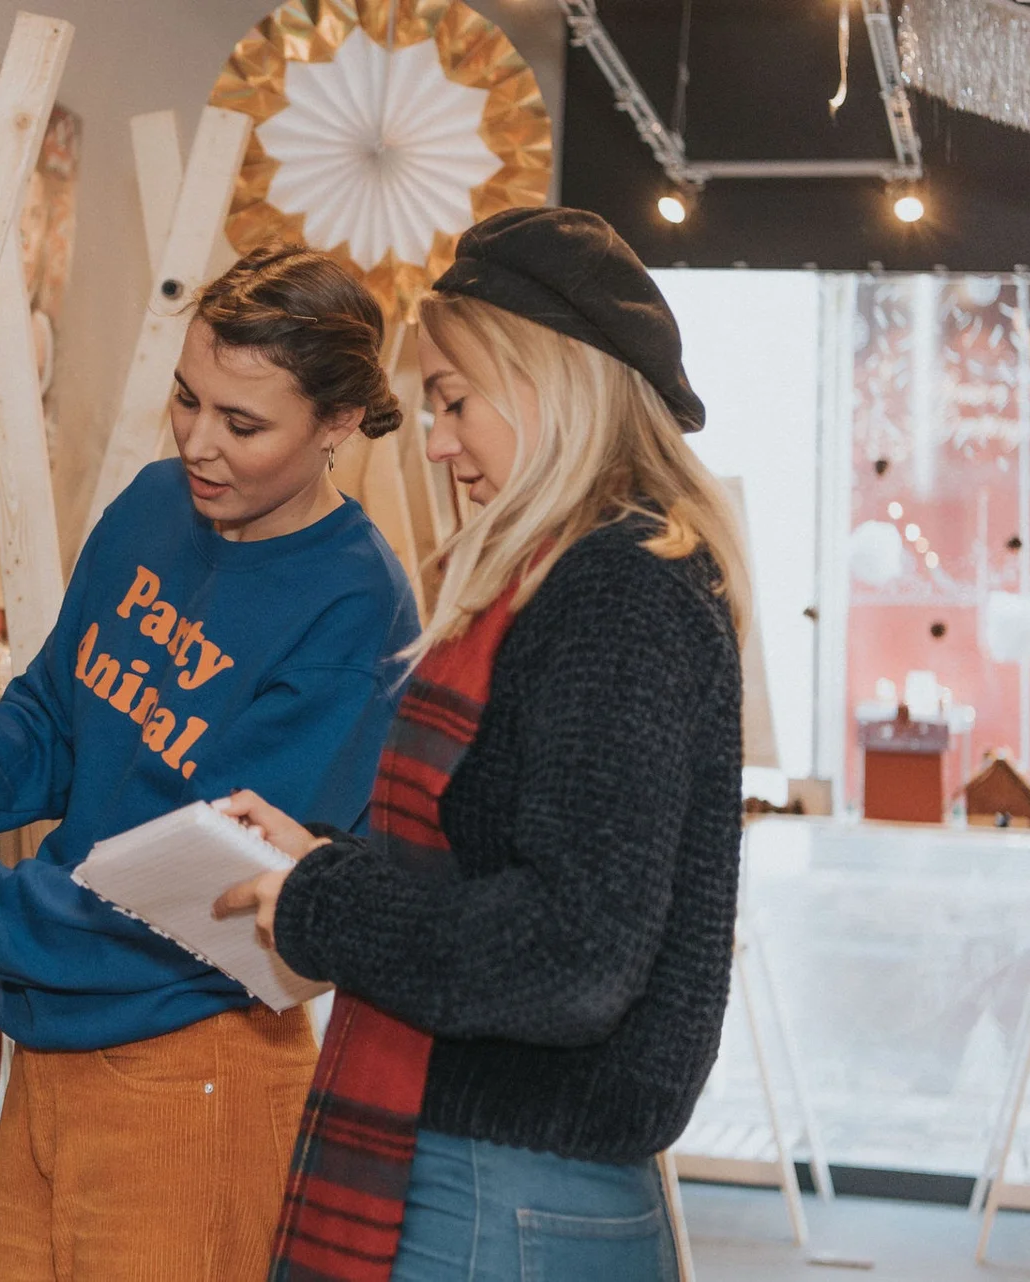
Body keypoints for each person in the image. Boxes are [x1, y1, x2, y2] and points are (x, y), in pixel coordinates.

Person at [0, 245, 420, 1280]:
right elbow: (43, 731)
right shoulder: (156, 507)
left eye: (244, 425)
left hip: (192, 1071)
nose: (201, 445)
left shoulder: (359, 612)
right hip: (51, 1039)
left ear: (339, 423)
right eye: (187, 400)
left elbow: (200, 900)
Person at [214, 207, 749, 1282]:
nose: (438, 437)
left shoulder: (616, 591)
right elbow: (495, 866)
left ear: (552, 382)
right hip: (502, 1184)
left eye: (455, 399)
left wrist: (323, 902)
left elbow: (571, 951)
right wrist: (320, 861)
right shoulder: (589, 577)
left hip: (500, 1197)